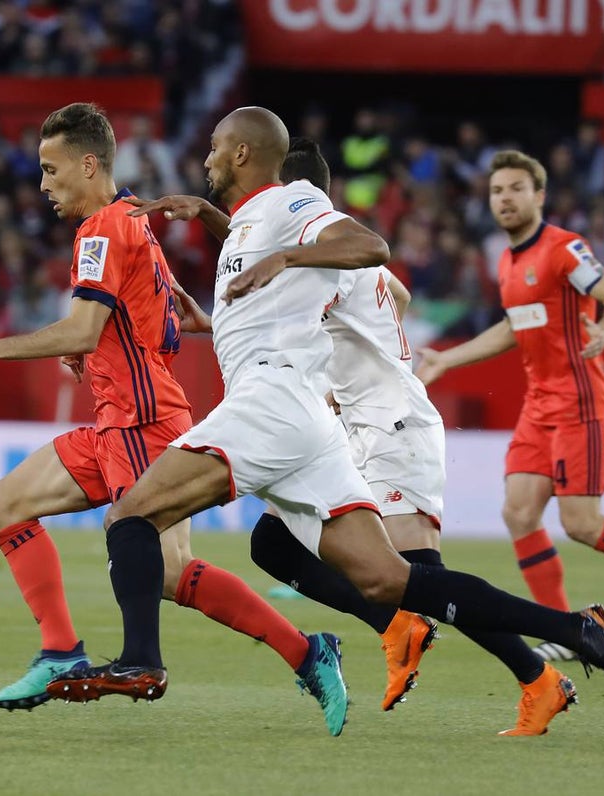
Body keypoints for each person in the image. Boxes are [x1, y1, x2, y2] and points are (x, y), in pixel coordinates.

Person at [45, 108, 604, 732]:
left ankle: (142, 660)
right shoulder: (250, 221)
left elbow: (369, 247)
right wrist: (217, 239)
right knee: (382, 578)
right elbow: (299, 300)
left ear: (245, 155)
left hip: (318, 411)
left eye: (216, 147)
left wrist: (290, 259)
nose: (207, 157)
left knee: (131, 517)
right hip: (318, 419)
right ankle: (571, 631)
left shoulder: (294, 203)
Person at [0, 103, 345, 732]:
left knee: (171, 574)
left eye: (50, 169)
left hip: (144, 423)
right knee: (6, 504)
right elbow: (159, 329)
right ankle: (60, 650)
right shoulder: (135, 221)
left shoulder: (101, 229)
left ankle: (307, 651)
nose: (43, 185)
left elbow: (88, 324)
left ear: (88, 164)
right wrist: (90, 358)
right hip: (117, 418)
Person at [243, 138, 575, 736]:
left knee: (418, 573)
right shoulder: (337, 255)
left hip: (391, 425)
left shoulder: (319, 255)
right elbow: (397, 292)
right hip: (361, 429)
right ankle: (406, 629)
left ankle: (542, 669)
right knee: (275, 538)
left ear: (285, 195)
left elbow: (310, 308)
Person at [416, 150, 604, 661]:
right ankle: (568, 631)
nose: (505, 199)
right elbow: (515, 326)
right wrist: (448, 360)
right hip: (539, 403)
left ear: (539, 196)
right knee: (518, 512)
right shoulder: (508, 259)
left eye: (516, 189)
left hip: (580, 398)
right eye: (497, 191)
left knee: (582, 523)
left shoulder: (564, 249)